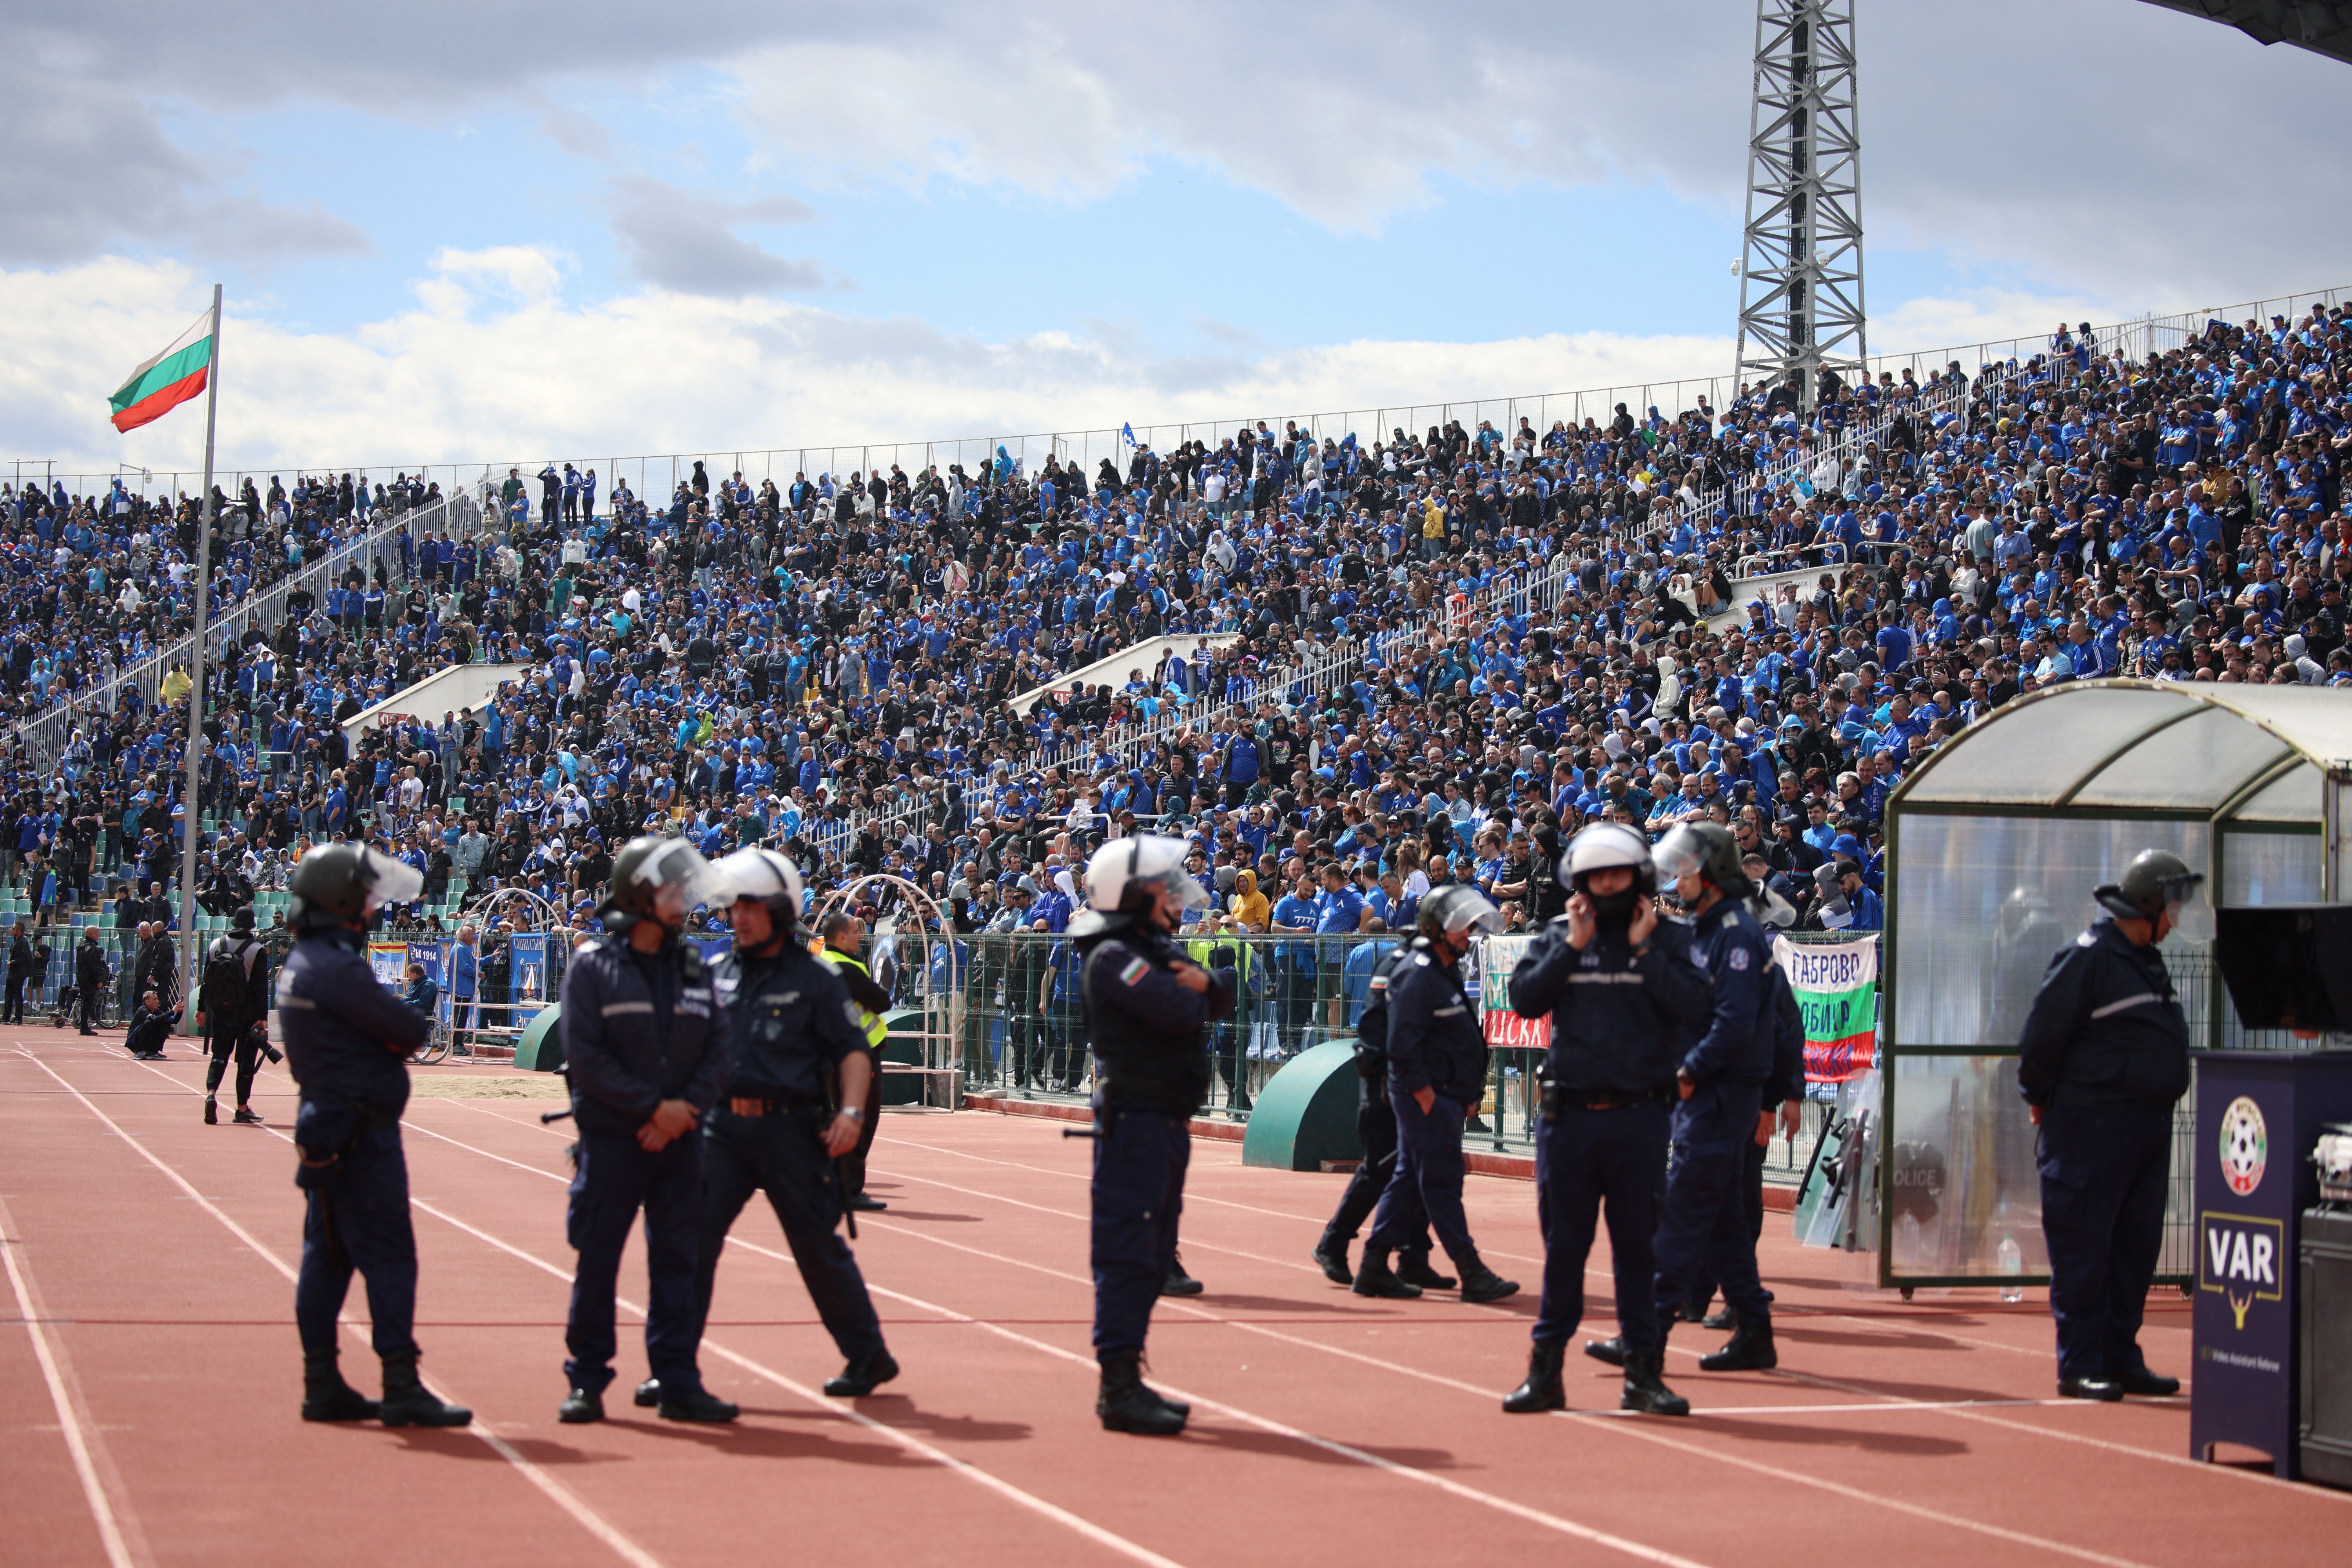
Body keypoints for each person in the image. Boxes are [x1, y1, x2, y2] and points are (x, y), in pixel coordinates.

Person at [1502, 822, 1710, 1416]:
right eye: (1597, 877)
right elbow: (1525, 1001)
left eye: (1618, 874)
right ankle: (1545, 1373)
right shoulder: (1559, 934)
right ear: (1581, 883)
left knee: (1639, 1250)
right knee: (1564, 1248)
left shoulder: (1670, 940)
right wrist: (1572, 944)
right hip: (1568, 1119)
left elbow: (1696, 1006)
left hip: (1640, 1119)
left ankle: (1644, 1374)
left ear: (1640, 878)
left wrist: (1644, 950)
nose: (1608, 885)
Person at [689, 847, 898, 1406]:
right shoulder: (714, 974)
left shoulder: (816, 978)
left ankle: (868, 1354)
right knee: (690, 1242)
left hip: (791, 1131)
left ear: (782, 912)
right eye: (734, 907)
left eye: (752, 907)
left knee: (816, 1249)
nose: (739, 917)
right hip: (723, 1131)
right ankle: (674, 1366)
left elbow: (853, 1052)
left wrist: (853, 1114)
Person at [278, 842, 470, 1427]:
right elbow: (409, 1028)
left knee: (328, 1258)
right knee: (389, 1257)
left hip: (328, 1127)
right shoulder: (336, 966)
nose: (371, 908)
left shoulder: (304, 962)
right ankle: (400, 1382)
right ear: (339, 899)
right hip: (361, 1134)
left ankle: (322, 1382)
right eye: (364, 896)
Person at [557, 836, 737, 1424]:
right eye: (670, 888)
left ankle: (677, 1378)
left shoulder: (694, 970)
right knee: (598, 1262)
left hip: (680, 1142)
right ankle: (587, 1381)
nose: (682, 899)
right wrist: (651, 1110)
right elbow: (585, 1058)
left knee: (677, 1263)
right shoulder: (594, 968)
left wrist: (681, 1111)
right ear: (638, 894)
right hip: (614, 1143)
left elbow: (718, 1051)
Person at [2016, 848, 2200, 1402]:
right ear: (2147, 905)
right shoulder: (2089, 957)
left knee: (2134, 1250)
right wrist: (2039, 1098)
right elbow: (2041, 1037)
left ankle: (2122, 1357)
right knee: (2086, 1249)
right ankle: (2081, 1363)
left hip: (2146, 1127)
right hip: (2090, 1128)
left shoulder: (2149, 959)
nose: (2177, 918)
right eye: (2172, 906)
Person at [1072, 835, 1235, 1435]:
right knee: (1128, 1254)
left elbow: (1220, 992)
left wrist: (1202, 988)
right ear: (1134, 895)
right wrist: (1198, 989)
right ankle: (1117, 1384)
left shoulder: (1151, 948)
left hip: (1163, 1117)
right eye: (1162, 887)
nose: (1175, 896)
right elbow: (1184, 1007)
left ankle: (1129, 1377)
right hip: (1134, 1119)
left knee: (1151, 1253)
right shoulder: (1117, 956)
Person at [1637, 822, 1780, 1375]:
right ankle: (1755, 1332)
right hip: (1710, 1092)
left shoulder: (1736, 934)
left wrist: (1691, 1070)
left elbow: (1736, 1021)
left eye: (1687, 869)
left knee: (1683, 1213)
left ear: (1712, 873)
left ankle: (1644, 1335)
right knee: (1722, 1222)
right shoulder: (1707, 929)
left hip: (1721, 1093)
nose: (1678, 880)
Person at [1362, 886, 1520, 1304]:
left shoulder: (1442, 967)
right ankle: (1471, 1270)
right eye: (1460, 927)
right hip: (1427, 1098)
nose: (1468, 933)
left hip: (1445, 1097)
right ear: (1436, 928)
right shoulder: (1419, 973)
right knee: (1443, 1182)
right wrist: (1427, 1097)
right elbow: (1402, 1044)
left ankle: (1373, 1267)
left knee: (1410, 1181)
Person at [1311, 934, 1454, 1298]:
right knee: (1381, 1169)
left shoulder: (1421, 967)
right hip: (1387, 1086)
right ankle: (1334, 1242)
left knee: (1416, 1168)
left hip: (1406, 1082)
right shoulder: (1405, 970)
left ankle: (1413, 1258)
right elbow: (1383, 1035)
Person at [817, 911, 891, 1213]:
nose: (862, 935)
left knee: (840, 1115)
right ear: (842, 937)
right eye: (856, 931)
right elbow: (883, 1001)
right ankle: (849, 1188)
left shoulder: (822, 961)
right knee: (862, 1119)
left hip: (831, 1052)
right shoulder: (846, 969)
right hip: (857, 1053)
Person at [197, 908, 272, 1125]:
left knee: (219, 1056)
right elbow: (260, 988)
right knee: (246, 1062)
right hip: (247, 1015)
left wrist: (202, 1009)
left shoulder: (215, 945)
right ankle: (242, 1108)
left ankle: (211, 1093)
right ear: (251, 927)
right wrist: (262, 1017)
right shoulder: (256, 950)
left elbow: (206, 980)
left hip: (221, 1012)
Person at [448, 922, 478, 1056]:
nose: (474, 937)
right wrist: (478, 973)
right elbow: (465, 968)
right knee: (459, 1019)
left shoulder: (464, 948)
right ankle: (455, 1045)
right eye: (472, 934)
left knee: (461, 1019)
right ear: (465, 935)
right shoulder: (460, 949)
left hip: (464, 990)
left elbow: (473, 962)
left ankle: (459, 1044)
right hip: (461, 989)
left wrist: (491, 958)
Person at [124, 986, 174, 1060]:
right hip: (134, 1042)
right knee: (149, 1023)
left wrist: (179, 1011)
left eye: (157, 999)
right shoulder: (143, 1010)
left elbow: (173, 1021)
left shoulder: (156, 1010)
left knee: (165, 1023)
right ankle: (139, 1052)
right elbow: (154, 1020)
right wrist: (172, 1012)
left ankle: (153, 1052)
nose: (158, 1001)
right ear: (147, 1002)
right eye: (155, 999)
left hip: (145, 1039)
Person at [74, 929, 109, 1034]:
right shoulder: (91, 948)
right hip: (89, 980)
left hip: (83, 978)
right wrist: (99, 980)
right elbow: (94, 967)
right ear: (92, 934)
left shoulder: (81, 947)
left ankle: (85, 1025)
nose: (99, 934)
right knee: (88, 1003)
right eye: (98, 933)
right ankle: (84, 1027)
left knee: (86, 1003)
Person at [5, 918, 33, 1024]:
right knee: (8, 994)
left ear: (19, 931)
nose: (12, 930)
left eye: (14, 929)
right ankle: (6, 1017)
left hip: (18, 973)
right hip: (13, 973)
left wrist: (13, 963)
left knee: (17, 995)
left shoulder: (23, 942)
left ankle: (18, 1018)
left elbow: (24, 958)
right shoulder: (16, 942)